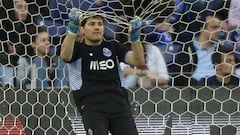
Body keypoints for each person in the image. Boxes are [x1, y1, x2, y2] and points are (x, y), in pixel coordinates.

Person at [60, 8, 144, 135]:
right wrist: (72, 29)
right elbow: (65, 56)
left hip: (119, 104)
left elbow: (138, 61)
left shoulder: (113, 46)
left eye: (100, 24)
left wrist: (135, 38)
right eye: (92, 24)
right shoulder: (77, 48)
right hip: (91, 106)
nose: (97, 27)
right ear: (82, 29)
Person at [172, 12, 222, 86]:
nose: (218, 31)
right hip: (195, 90)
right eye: (214, 27)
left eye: (219, 27)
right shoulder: (187, 49)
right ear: (202, 29)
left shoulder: (222, 49)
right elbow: (180, 76)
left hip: (220, 88)